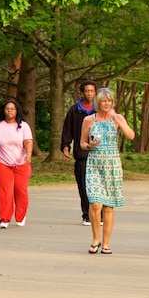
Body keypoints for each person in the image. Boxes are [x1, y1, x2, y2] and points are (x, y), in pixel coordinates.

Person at [79, 88, 134, 254]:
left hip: (112, 164)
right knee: (95, 203)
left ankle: (106, 243)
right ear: (98, 102)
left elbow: (131, 136)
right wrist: (90, 145)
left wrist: (120, 121)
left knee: (109, 207)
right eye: (103, 101)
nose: (106, 104)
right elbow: (82, 143)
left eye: (109, 101)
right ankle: (95, 239)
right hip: (94, 164)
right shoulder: (89, 120)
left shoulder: (117, 118)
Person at [0, 99, 33, 228]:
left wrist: (29, 156)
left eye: (12, 109)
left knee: (20, 190)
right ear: (3, 111)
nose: (9, 111)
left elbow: (28, 142)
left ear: (16, 111)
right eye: (7, 109)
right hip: (2, 163)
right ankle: (4, 218)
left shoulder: (23, 126)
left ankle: (20, 216)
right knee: (4, 191)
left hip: (21, 163)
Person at [61, 79, 98, 225]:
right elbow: (67, 129)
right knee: (83, 186)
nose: (89, 93)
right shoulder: (74, 110)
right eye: (87, 91)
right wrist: (65, 145)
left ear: (95, 93)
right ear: (82, 92)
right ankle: (87, 215)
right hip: (82, 154)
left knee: (98, 186)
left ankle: (99, 214)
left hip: (98, 154)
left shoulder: (99, 110)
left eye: (92, 91)